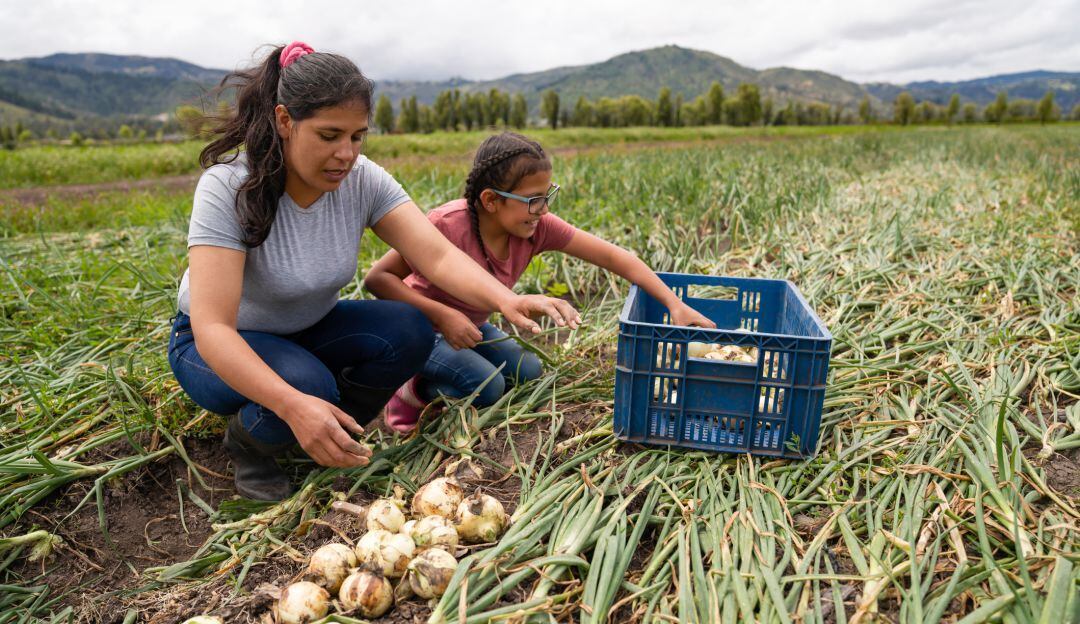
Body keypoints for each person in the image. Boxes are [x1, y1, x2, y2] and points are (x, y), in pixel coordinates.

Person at [167, 44, 579, 501]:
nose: (346, 153)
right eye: (329, 135)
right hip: (214, 346)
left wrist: (506, 300)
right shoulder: (230, 187)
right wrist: (292, 404)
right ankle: (252, 446)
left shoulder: (362, 179)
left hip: (309, 327)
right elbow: (213, 328)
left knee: (409, 327)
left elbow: (436, 256)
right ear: (285, 121)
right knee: (306, 387)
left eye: (357, 136)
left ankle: (330, 430)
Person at [364, 132, 715, 431]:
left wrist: (675, 305)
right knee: (487, 387)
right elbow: (377, 278)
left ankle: (444, 380)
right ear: (490, 200)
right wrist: (441, 316)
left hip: (471, 327)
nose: (544, 210)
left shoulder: (536, 227)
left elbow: (614, 256)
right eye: (533, 201)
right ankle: (411, 392)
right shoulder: (446, 225)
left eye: (547, 196)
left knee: (529, 373)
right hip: (421, 331)